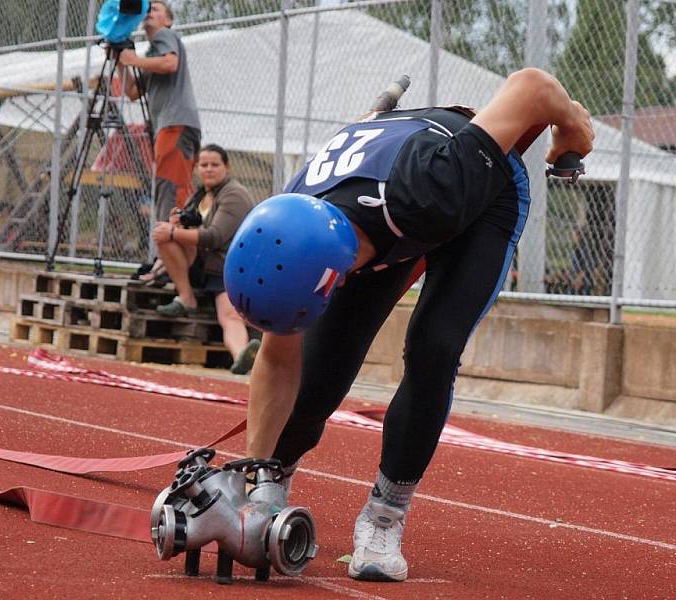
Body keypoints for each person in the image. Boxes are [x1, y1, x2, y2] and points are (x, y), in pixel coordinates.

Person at [223, 68, 594, 581]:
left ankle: (384, 516)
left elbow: (532, 85)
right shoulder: (291, 228)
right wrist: (255, 479)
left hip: (476, 196)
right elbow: (277, 359)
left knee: (433, 348)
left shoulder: (432, 188)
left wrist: (573, 128)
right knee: (317, 381)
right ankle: (276, 482)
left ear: (340, 271)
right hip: (382, 207)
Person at [152, 144, 260, 375]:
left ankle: (242, 356)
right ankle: (186, 297)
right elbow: (190, 229)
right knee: (164, 235)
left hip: (228, 268)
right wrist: (177, 224)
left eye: (214, 165)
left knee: (229, 313)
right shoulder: (200, 194)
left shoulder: (234, 194)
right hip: (203, 266)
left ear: (227, 167)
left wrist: (174, 232)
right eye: (204, 165)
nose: (208, 170)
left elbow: (215, 237)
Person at [118, 0, 202, 280]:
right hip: (170, 125)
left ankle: (170, 264)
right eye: (148, 9)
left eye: (156, 10)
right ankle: (164, 260)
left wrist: (135, 60)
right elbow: (131, 92)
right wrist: (122, 58)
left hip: (175, 123)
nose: (149, 13)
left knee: (174, 191)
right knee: (167, 190)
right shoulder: (153, 50)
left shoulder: (166, 39)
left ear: (168, 21)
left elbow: (170, 63)